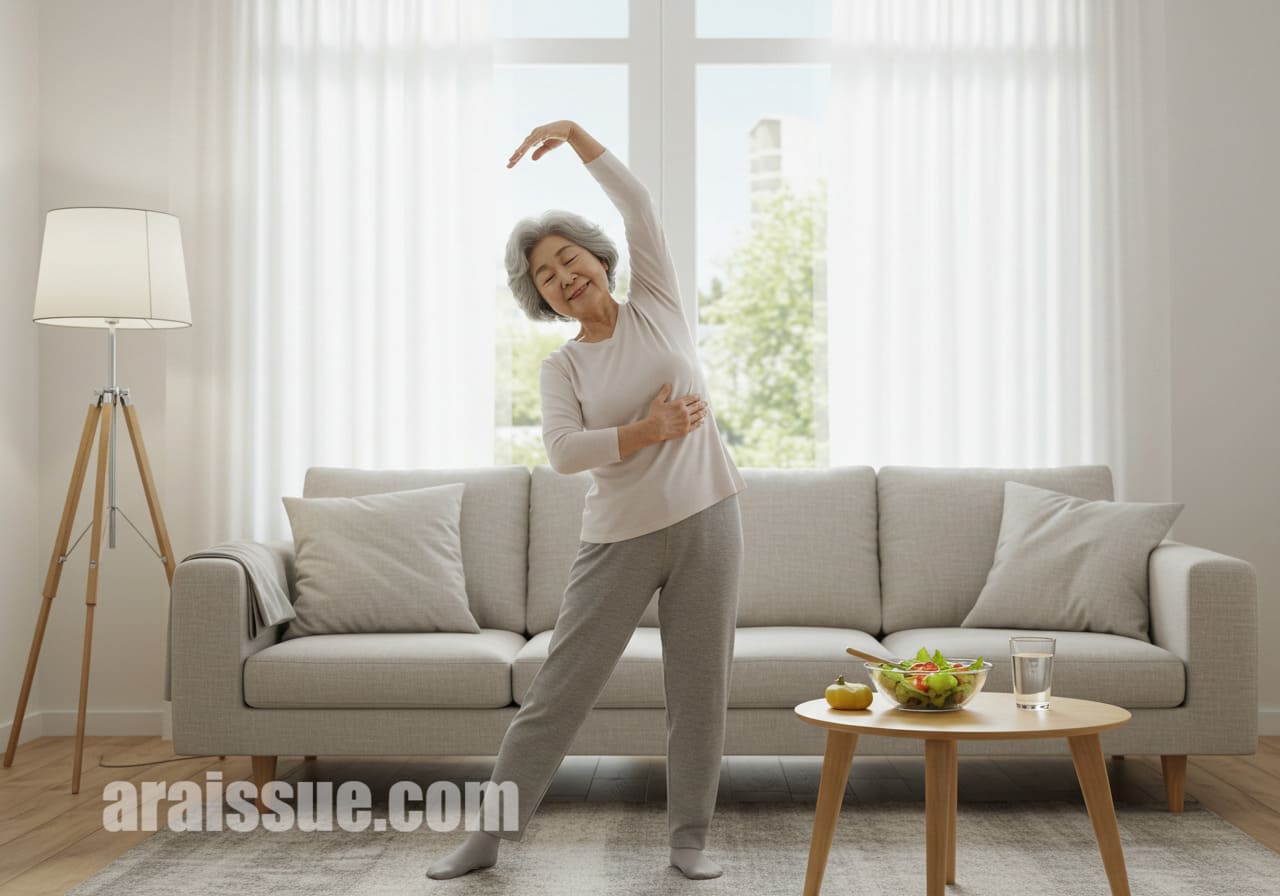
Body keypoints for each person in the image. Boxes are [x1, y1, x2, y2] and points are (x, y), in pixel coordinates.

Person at [427, 120, 746, 882]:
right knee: (558, 694)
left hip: (709, 518)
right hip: (620, 539)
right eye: (545, 275)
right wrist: (646, 430)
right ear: (540, 297)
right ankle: (489, 838)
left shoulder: (659, 304)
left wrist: (574, 135)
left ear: (599, 261)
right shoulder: (562, 366)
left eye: (570, 259)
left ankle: (689, 838)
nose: (564, 276)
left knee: (699, 695)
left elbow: (638, 203)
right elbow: (565, 453)